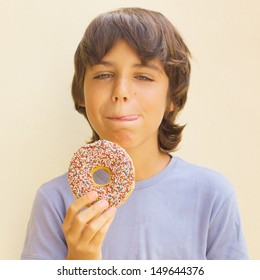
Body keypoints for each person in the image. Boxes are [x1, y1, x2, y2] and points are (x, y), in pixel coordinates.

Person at [21, 7, 248, 260]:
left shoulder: (212, 195)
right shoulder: (56, 200)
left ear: (171, 97)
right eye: (104, 74)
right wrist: (80, 261)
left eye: (143, 76)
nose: (121, 91)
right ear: (81, 93)